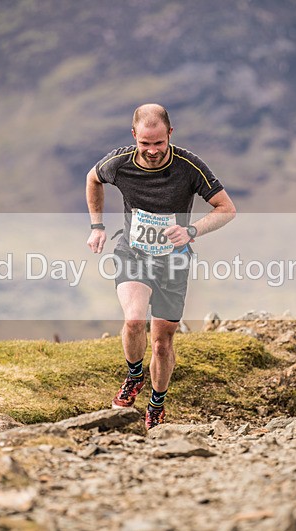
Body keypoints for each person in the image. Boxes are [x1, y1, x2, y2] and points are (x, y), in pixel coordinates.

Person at [86, 103, 236, 430]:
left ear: (170, 134)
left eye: (158, 143)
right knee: (134, 319)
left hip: (173, 261)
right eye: (145, 143)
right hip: (133, 252)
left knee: (161, 342)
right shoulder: (118, 163)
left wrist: (192, 230)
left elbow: (226, 208)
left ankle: (156, 403)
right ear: (134, 136)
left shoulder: (189, 166)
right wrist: (97, 226)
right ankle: (134, 375)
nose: (152, 151)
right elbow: (92, 178)